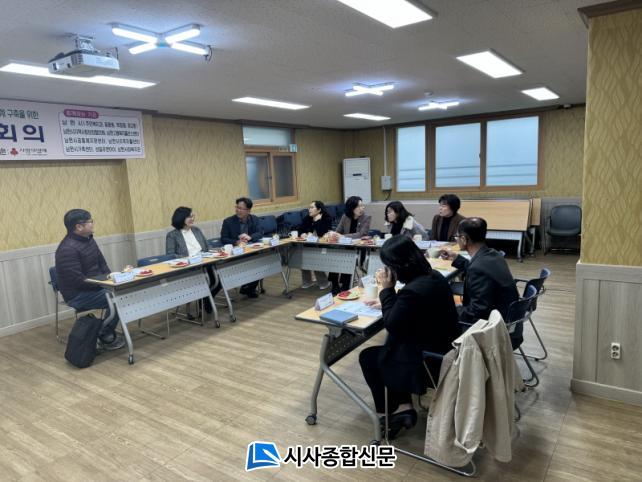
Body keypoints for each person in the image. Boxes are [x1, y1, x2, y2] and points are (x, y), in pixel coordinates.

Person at [359, 236, 459, 440]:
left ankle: (389, 412)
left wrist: (387, 291)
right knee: (389, 347)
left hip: (431, 361)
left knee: (369, 357)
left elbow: (392, 324)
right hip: (445, 347)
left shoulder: (413, 290)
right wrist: (393, 302)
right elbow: (413, 309)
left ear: (398, 266)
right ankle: (403, 405)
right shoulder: (432, 276)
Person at [440, 217, 521, 344]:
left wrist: (453, 309)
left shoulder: (478, 267)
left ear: (464, 239)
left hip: (494, 329)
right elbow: (478, 268)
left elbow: (478, 310)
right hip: (508, 319)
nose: (457, 239)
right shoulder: (493, 254)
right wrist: (456, 258)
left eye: (457, 236)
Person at [55, 209, 126, 350]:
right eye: (90, 222)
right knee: (118, 298)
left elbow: (102, 264)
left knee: (121, 292)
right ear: (79, 227)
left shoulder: (89, 239)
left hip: (95, 287)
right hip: (78, 295)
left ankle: (104, 330)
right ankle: (104, 334)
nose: (92, 224)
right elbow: (78, 281)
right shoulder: (67, 249)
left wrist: (110, 280)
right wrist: (103, 285)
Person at [166, 206, 216, 313]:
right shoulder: (172, 235)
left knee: (218, 278)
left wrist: (215, 252)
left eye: (192, 216)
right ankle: (206, 300)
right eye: (189, 216)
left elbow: (208, 246)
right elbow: (170, 256)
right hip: (189, 267)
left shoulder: (196, 230)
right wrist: (189, 259)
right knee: (212, 278)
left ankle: (205, 299)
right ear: (181, 218)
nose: (192, 219)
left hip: (204, 262)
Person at [220, 197, 264, 298]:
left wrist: (250, 237)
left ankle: (249, 288)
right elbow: (224, 238)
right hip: (236, 253)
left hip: (251, 251)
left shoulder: (254, 219)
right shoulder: (228, 221)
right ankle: (247, 287)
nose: (238, 210)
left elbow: (260, 232)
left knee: (260, 263)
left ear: (248, 210)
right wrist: (236, 242)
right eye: (237, 207)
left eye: (241, 208)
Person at [327, 196, 372, 294]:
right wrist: (333, 234)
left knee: (348, 258)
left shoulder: (366, 217)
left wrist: (343, 236)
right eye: (359, 206)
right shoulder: (345, 216)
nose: (362, 208)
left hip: (358, 249)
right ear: (352, 208)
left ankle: (345, 285)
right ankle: (335, 284)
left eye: (362, 206)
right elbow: (338, 231)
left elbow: (361, 234)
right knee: (333, 258)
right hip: (344, 247)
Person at [298, 200, 333, 290]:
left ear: (319, 210)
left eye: (312, 207)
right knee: (303, 258)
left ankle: (323, 282)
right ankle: (307, 281)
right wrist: (302, 234)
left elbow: (322, 233)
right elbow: (300, 229)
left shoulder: (326, 218)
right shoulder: (307, 218)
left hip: (323, 246)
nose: (309, 209)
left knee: (315, 258)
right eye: (309, 208)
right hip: (309, 245)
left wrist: (317, 221)